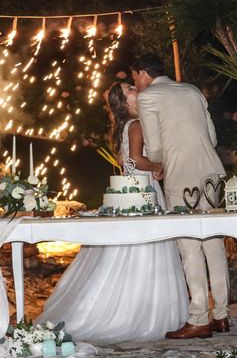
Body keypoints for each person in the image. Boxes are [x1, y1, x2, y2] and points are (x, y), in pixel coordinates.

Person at [35, 82, 188, 342]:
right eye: (130, 88)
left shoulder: (124, 127)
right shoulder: (137, 124)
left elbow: (122, 160)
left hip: (134, 189)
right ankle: (141, 313)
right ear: (126, 102)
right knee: (149, 246)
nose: (135, 88)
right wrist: (158, 166)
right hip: (144, 191)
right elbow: (137, 160)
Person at [133, 54, 230, 340]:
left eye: (134, 78)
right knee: (214, 244)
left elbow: (154, 147)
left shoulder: (148, 97)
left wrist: (158, 165)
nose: (135, 84)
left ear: (143, 73)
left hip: (181, 176)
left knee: (189, 248)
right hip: (213, 172)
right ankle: (222, 315)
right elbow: (212, 138)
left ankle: (199, 317)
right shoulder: (192, 90)